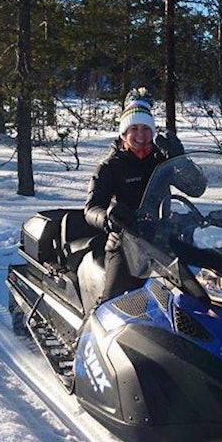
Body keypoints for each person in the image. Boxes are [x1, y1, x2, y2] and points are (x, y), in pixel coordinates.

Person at [84, 87, 183, 302]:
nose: (140, 135)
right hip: (125, 244)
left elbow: (196, 188)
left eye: (146, 128)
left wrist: (181, 160)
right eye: (134, 128)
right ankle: (88, 333)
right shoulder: (111, 165)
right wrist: (110, 219)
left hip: (163, 239)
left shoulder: (161, 160)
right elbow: (91, 208)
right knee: (111, 302)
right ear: (124, 132)